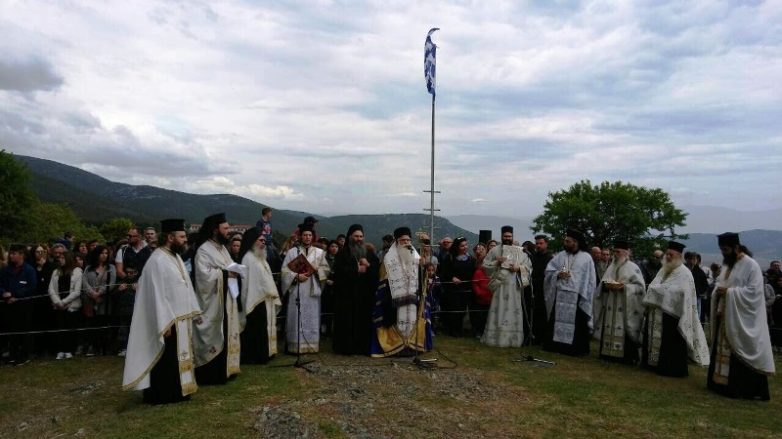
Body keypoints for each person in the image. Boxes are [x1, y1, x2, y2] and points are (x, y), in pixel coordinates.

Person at [122, 219, 201, 404]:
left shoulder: (175, 256)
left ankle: (180, 390)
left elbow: (186, 285)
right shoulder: (157, 260)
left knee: (176, 359)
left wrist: (194, 311)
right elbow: (156, 294)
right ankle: (164, 394)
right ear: (170, 237)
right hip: (168, 321)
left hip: (181, 320)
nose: (185, 240)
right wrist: (164, 322)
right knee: (165, 360)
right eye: (181, 237)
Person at [708, 233, 775, 400]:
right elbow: (719, 283)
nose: (723, 253)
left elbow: (754, 292)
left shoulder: (751, 265)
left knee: (739, 351)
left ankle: (739, 387)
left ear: (736, 247)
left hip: (742, 319)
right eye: (721, 250)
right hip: (725, 315)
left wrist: (729, 293)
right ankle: (719, 383)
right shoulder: (727, 265)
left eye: (726, 249)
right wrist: (718, 291)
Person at [641, 241, 709, 377]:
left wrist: (658, 291)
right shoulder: (664, 269)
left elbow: (680, 292)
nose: (668, 257)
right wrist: (656, 290)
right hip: (658, 312)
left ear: (679, 256)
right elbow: (654, 285)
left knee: (671, 345)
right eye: (667, 254)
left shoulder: (685, 273)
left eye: (671, 255)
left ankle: (670, 368)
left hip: (674, 316)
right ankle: (651, 364)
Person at [192, 213, 242, 385]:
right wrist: (226, 273)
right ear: (215, 230)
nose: (229, 231)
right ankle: (210, 373)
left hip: (226, 299)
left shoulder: (222, 248)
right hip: (213, 302)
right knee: (215, 333)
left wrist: (234, 271)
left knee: (227, 332)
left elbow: (228, 267)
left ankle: (226, 369)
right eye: (225, 228)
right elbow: (203, 277)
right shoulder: (204, 249)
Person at [371, 227, 433, 357]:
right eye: (403, 240)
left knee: (411, 321)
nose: (406, 243)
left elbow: (423, 268)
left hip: (413, 297)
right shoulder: (389, 258)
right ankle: (397, 348)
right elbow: (383, 279)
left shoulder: (413, 253)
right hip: (395, 299)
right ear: (397, 241)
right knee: (398, 321)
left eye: (408, 240)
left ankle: (411, 347)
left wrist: (425, 259)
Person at [543, 229, 596, 356]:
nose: (565, 243)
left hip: (577, 296)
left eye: (568, 241)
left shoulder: (586, 258)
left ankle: (575, 349)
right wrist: (557, 274)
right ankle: (556, 346)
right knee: (557, 321)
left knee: (577, 323)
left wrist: (585, 293)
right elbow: (549, 271)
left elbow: (590, 279)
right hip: (560, 294)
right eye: (565, 241)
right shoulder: (560, 255)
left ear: (575, 242)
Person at [593, 240, 646, 364]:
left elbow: (640, 288)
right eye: (614, 251)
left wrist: (625, 287)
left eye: (617, 252)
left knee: (624, 330)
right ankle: (607, 354)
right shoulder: (611, 266)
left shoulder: (634, 268)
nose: (615, 254)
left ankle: (625, 357)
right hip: (611, 304)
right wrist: (606, 286)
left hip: (625, 307)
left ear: (625, 253)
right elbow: (602, 285)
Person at [281, 223, 329, 354]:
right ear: (300, 236)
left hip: (312, 290)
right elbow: (284, 271)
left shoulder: (319, 253)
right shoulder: (292, 252)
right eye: (305, 235)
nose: (307, 237)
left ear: (313, 237)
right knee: (296, 317)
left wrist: (317, 270)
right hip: (297, 290)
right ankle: (295, 346)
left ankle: (311, 345)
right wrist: (296, 276)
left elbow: (326, 270)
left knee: (311, 317)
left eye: (310, 235)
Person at [332, 224, 380, 355]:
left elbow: (377, 270)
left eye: (361, 236)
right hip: (347, 295)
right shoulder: (342, 253)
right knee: (347, 322)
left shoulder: (369, 253)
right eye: (356, 236)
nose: (359, 239)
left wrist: (368, 265)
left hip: (365, 296)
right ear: (350, 237)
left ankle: (363, 347)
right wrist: (356, 270)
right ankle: (347, 348)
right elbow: (338, 272)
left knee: (363, 322)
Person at [480, 226, 530, 348]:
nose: (507, 238)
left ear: (512, 237)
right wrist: (497, 262)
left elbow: (528, 267)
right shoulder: (495, 251)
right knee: (499, 310)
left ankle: (513, 340)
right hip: (500, 287)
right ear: (502, 237)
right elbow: (485, 265)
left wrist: (518, 268)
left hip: (514, 287)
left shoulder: (520, 251)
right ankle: (495, 339)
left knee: (514, 310)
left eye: (509, 236)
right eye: (505, 236)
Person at [238, 227, 282, 364]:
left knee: (265, 328)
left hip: (265, 299)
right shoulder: (248, 258)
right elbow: (247, 283)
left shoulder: (261, 258)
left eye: (264, 240)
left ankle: (267, 352)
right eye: (260, 240)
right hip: (254, 300)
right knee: (255, 329)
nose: (263, 243)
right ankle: (255, 356)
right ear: (252, 241)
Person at [114, 227, 152, 356]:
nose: (129, 238)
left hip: (145, 288)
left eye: (132, 236)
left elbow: (151, 270)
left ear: (139, 236)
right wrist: (130, 283)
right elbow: (119, 270)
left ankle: (143, 346)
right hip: (127, 288)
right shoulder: (123, 251)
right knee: (126, 318)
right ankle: (124, 347)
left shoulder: (149, 251)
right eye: (128, 236)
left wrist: (142, 284)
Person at [0, 244, 37, 365]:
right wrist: (4, 293)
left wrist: (15, 295)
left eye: (14, 253)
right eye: (10, 253)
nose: (11, 256)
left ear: (22, 255)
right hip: (8, 305)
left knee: (24, 330)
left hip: (24, 306)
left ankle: (24, 354)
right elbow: (1, 284)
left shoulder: (29, 270)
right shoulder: (5, 270)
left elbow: (31, 287)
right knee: (11, 330)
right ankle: (12, 353)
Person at [81, 245, 116, 356]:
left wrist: (99, 293)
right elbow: (84, 283)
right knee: (92, 324)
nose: (104, 255)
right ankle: (93, 347)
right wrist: (92, 294)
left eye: (106, 253)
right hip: (90, 301)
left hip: (104, 300)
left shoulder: (111, 268)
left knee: (103, 323)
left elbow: (111, 283)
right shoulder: (88, 268)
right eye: (102, 253)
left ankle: (104, 348)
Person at [48, 251, 83, 360]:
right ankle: (60, 350)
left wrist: (64, 302)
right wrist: (58, 302)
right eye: (60, 258)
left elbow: (77, 291)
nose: (60, 259)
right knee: (59, 328)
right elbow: (51, 289)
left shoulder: (77, 272)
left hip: (71, 306)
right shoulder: (56, 272)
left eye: (63, 258)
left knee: (70, 328)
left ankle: (69, 350)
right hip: (58, 306)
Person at [440, 237, 476, 337]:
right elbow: (444, 273)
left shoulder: (471, 259)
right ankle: (453, 331)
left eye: (466, 245)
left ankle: (460, 329)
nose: (465, 247)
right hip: (453, 290)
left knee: (462, 310)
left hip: (466, 289)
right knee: (454, 310)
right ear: (457, 247)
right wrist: (452, 278)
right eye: (462, 245)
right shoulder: (450, 258)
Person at [530, 235, 553, 345]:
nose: (538, 245)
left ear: (546, 244)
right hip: (533, 289)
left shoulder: (550, 259)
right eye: (537, 243)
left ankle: (542, 338)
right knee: (534, 314)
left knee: (542, 314)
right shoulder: (533, 257)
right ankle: (534, 336)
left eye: (541, 243)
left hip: (544, 291)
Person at [470, 243, 491, 338]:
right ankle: (477, 331)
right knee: (477, 315)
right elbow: (474, 282)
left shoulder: (490, 262)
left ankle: (485, 331)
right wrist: (478, 292)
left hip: (488, 293)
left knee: (486, 315)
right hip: (478, 293)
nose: (481, 251)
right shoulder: (473, 261)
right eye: (479, 249)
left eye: (483, 249)